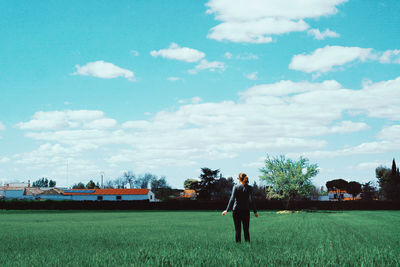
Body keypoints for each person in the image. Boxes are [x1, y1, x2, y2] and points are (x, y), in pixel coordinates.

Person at [222, 173, 258, 243]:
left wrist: (227, 210)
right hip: (245, 210)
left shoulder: (235, 187)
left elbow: (232, 199)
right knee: (246, 229)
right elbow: (251, 200)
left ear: (239, 179)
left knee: (237, 229)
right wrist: (255, 211)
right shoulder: (250, 188)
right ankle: (247, 244)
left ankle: (238, 245)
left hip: (236, 211)